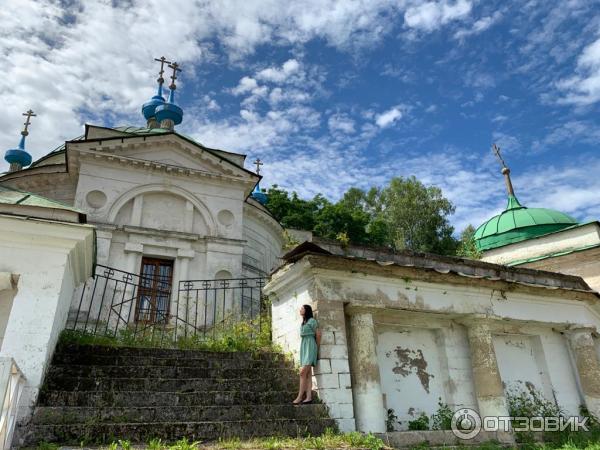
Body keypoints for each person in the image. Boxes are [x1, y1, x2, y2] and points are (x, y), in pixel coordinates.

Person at [292, 304, 321, 405]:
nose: (300, 310)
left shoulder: (312, 321)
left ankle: (300, 396)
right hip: (304, 347)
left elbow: (318, 334)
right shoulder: (303, 322)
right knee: (308, 374)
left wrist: (316, 348)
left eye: (302, 308)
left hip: (311, 346)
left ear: (307, 310)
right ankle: (308, 397)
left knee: (302, 373)